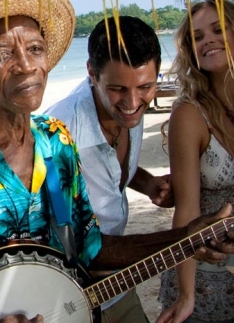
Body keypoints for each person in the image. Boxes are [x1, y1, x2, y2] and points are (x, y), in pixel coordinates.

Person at [0, 0, 234, 322]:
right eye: (4, 55)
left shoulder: (56, 141)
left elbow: (87, 249)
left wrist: (183, 238)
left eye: (35, 49)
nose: (26, 66)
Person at [45, 16, 171, 323]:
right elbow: (74, 245)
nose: (132, 103)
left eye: (146, 86)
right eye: (117, 89)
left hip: (118, 283)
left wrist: (146, 182)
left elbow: (108, 165)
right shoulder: (58, 135)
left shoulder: (129, 107)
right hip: (66, 300)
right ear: (92, 73)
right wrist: (186, 238)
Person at [157, 1, 234, 322]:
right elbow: (187, 210)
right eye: (197, 36)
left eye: (219, 30)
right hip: (206, 278)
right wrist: (185, 294)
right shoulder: (190, 115)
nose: (208, 41)